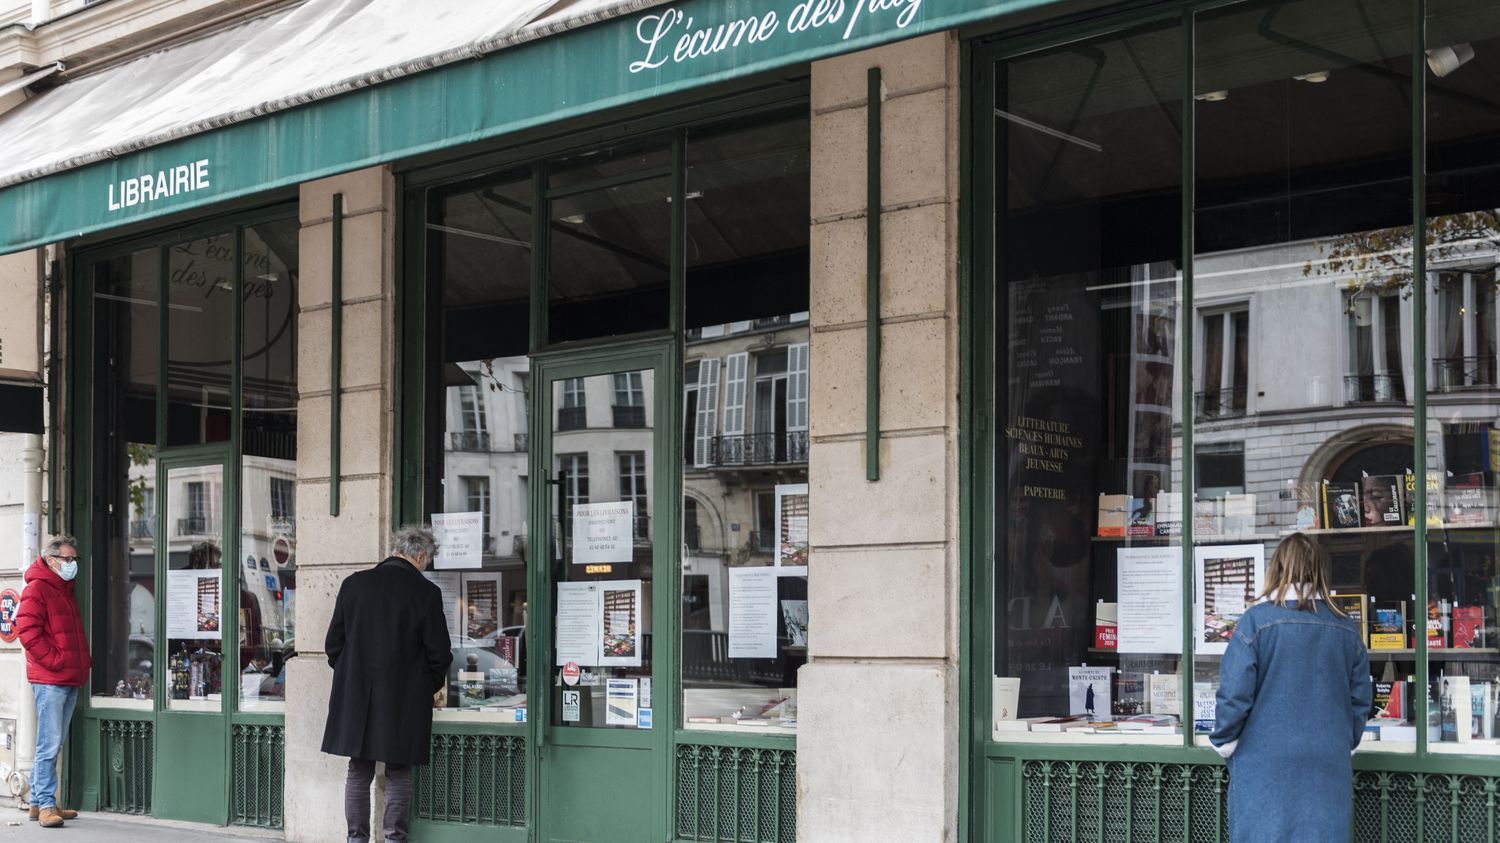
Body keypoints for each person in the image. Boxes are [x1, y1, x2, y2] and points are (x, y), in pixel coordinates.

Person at [1210, 532, 1372, 842]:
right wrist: (1344, 741)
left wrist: (1224, 740)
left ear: (1277, 568)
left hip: (1264, 761)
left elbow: (1234, 694)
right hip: (1327, 760)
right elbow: (1359, 700)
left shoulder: (1256, 622)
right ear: (1320, 571)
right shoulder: (1344, 627)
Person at [322, 526, 452, 843]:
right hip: (405, 697)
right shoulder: (425, 593)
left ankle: (356, 839)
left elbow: (332, 645)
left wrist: (353, 675)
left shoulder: (353, 584)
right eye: (427, 561)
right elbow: (439, 653)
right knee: (398, 770)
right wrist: (424, 687)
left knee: (359, 768)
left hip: (356, 696)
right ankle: (395, 839)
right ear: (420, 555)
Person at [15, 535, 91, 828]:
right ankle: (47, 804)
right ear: (51, 560)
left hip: (68, 676)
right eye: (68, 559)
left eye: (75, 559)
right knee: (49, 744)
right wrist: (56, 661)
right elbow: (27, 631)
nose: (73, 565)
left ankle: (37, 802)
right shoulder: (38, 589)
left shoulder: (63, 589)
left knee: (53, 741)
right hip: (51, 679)